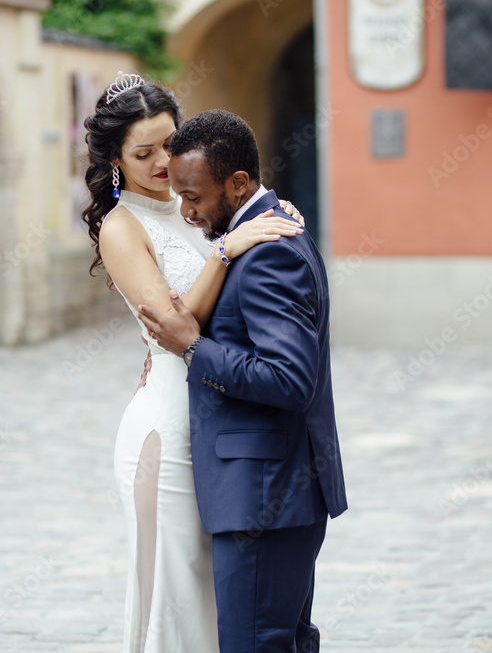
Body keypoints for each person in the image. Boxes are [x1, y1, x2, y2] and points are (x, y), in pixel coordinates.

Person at [82, 73, 305, 652]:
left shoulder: (199, 202)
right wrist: (230, 248)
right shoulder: (121, 227)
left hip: (226, 422)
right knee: (176, 599)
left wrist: (268, 223)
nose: (162, 162)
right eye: (143, 152)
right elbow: (176, 324)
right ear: (113, 159)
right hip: (170, 428)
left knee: (221, 596)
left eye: (169, 143)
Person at [138, 109, 348, 653]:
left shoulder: (268, 255)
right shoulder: (263, 232)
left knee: (257, 644)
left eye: (195, 197)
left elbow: (289, 379)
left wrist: (192, 347)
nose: (186, 212)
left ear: (237, 184)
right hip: (272, 490)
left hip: (265, 497)